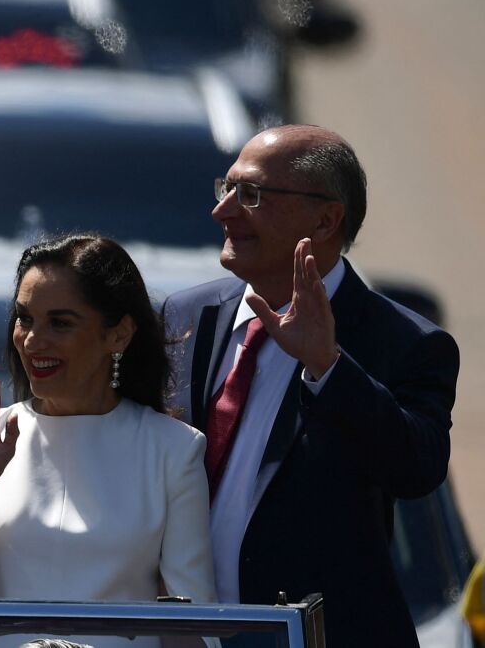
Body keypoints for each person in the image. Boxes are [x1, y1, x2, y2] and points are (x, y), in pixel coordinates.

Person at [161, 124, 457, 647]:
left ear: (325, 220)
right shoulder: (187, 315)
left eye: (250, 195)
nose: (223, 211)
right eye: (225, 188)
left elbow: (416, 469)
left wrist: (328, 365)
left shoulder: (403, 342)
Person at [0, 234, 215, 648]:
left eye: (60, 323)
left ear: (119, 335)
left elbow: (191, 628)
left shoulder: (175, 450)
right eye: (25, 319)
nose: (33, 340)